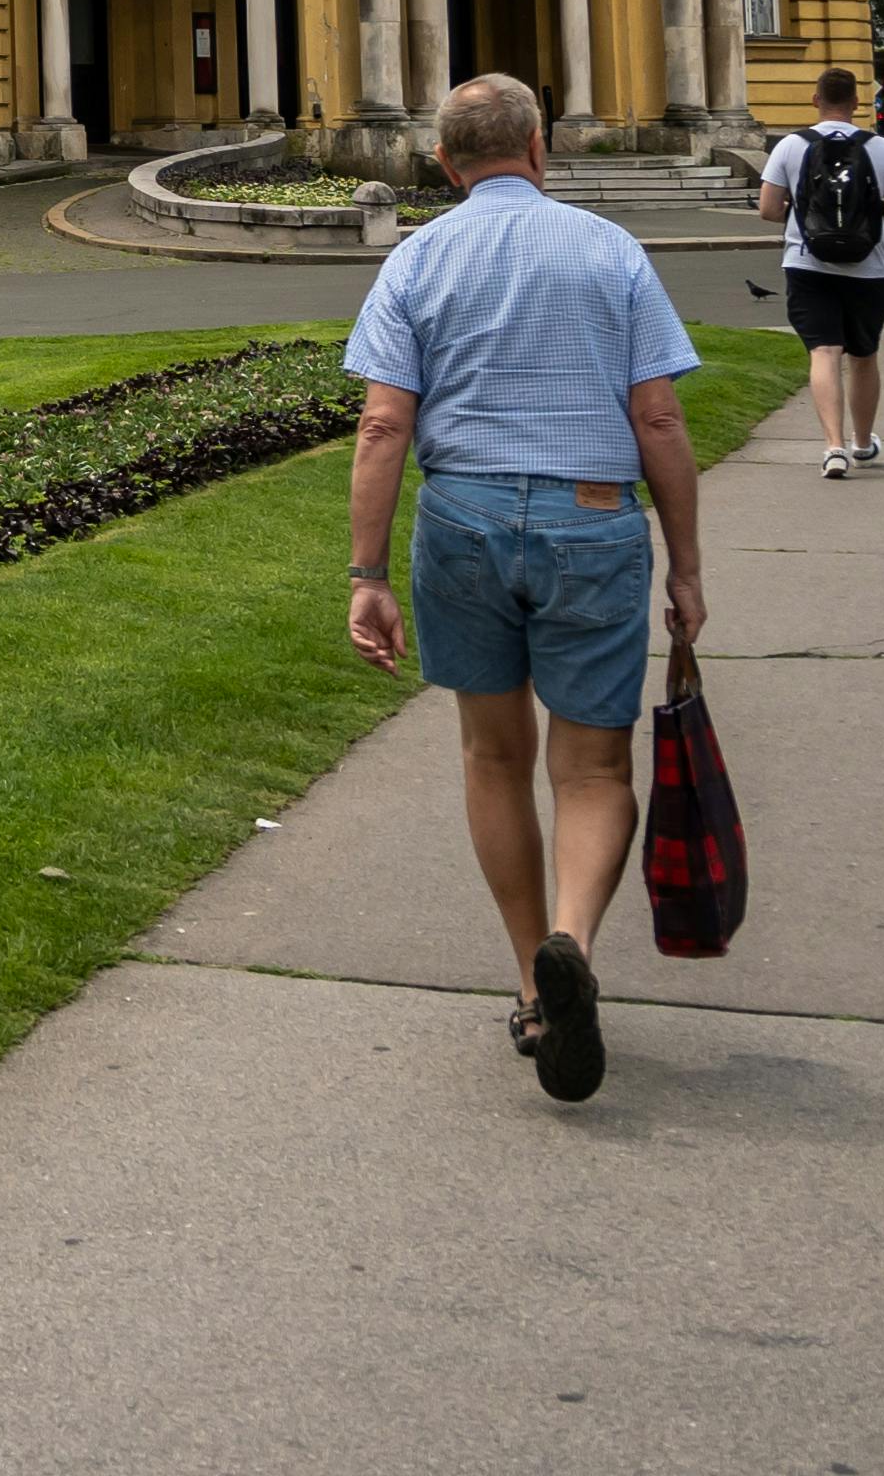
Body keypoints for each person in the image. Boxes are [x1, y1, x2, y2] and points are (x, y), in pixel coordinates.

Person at [342, 73, 709, 1104]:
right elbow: (663, 423)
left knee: (491, 753)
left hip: (460, 519)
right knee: (591, 768)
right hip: (590, 516)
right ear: (540, 149)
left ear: (448, 164)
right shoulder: (609, 251)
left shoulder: (416, 257)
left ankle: (531, 986)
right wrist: (684, 564)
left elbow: (381, 426)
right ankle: (573, 941)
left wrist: (368, 575)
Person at [759, 66, 884, 476]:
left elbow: (768, 209)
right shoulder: (881, 148)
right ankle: (863, 443)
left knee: (824, 352)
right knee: (863, 355)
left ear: (816, 100)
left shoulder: (791, 146)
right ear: (856, 103)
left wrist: (809, 228)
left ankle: (833, 448)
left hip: (807, 264)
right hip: (869, 269)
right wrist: (867, 232)